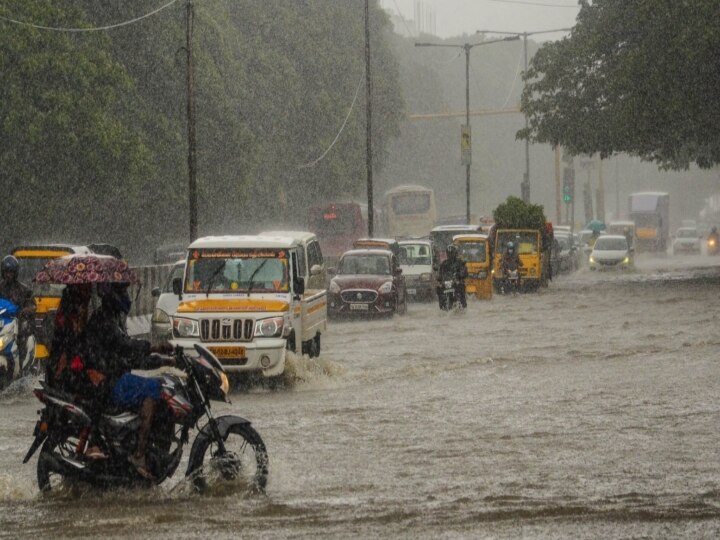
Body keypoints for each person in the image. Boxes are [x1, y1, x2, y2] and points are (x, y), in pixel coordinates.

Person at [85, 282, 173, 478]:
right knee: (154, 388)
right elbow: (126, 346)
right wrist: (155, 347)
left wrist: (166, 360)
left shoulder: (114, 318)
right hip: (108, 380)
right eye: (122, 291)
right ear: (112, 296)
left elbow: (131, 357)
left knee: (157, 384)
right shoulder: (104, 320)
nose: (126, 296)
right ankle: (139, 454)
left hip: (114, 374)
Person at [0, 255, 36, 376]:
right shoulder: (0, 288)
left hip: (16, 321)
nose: (8, 275)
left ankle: (21, 365)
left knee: (22, 335)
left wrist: (27, 309)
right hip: (2, 321)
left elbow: (32, 304)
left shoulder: (24, 290)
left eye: (10, 272)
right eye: (6, 272)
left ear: (15, 273)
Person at [436, 244, 467, 309]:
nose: (450, 255)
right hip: (447, 285)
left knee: (461, 289)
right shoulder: (444, 264)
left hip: (456, 284)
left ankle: (462, 306)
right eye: (449, 253)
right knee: (439, 289)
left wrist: (460, 275)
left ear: (455, 253)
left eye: (451, 253)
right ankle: (442, 306)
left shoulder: (459, 263)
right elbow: (440, 274)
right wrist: (439, 278)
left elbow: (464, 272)